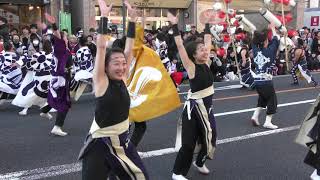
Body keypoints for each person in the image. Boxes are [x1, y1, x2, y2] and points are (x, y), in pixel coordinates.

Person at [78, 1, 148, 179]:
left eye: (124, 63)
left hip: (123, 142)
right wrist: (104, 16)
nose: (122, 67)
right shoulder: (101, 82)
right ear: (106, 67)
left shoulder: (123, 78)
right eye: (116, 63)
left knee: (141, 177)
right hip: (100, 145)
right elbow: (101, 47)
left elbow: (129, 47)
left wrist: (132, 20)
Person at [168, 11, 217, 180]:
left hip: (207, 110)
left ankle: (200, 161)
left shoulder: (207, 63)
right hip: (193, 111)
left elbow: (208, 39)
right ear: (194, 55)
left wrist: (208, 24)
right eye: (201, 51)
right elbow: (181, 47)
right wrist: (174, 26)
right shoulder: (192, 67)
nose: (205, 52)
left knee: (211, 137)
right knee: (188, 144)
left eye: (205, 50)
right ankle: (177, 173)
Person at [250, 24, 280, 129]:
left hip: (257, 81)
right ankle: (268, 122)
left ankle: (255, 116)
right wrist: (272, 28)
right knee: (272, 100)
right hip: (266, 81)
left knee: (262, 98)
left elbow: (254, 40)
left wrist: (261, 32)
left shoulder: (255, 49)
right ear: (266, 41)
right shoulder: (270, 51)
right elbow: (277, 39)